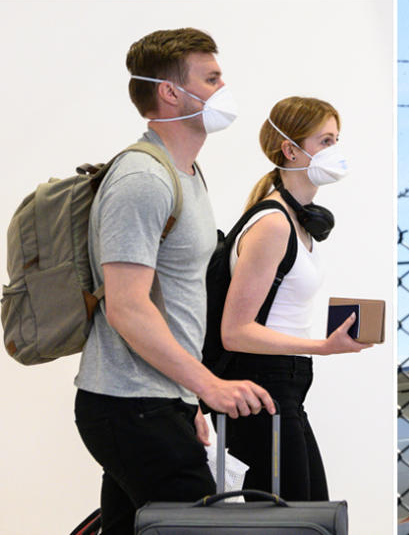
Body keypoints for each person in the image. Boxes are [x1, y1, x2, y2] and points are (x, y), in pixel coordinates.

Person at [73, 28, 276, 535]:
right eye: (210, 78)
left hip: (157, 403)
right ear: (169, 92)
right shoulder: (143, 178)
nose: (223, 88)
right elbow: (127, 306)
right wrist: (208, 385)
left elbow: (174, 302)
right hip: (128, 406)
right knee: (200, 528)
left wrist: (188, 402)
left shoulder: (185, 173)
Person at [219, 96, 371, 501]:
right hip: (262, 386)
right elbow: (235, 332)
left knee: (308, 514)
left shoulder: (298, 224)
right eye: (325, 141)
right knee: (291, 519)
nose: (335, 151)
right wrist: (321, 347)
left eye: (336, 140)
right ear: (291, 149)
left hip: (287, 386)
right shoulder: (273, 223)